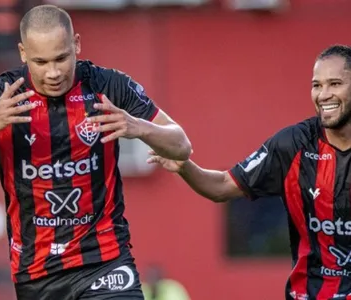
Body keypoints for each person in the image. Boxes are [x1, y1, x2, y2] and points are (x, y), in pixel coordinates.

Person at [0, 5, 191, 300]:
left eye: (61, 58)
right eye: (41, 61)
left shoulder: (107, 84)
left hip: (106, 261)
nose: (53, 72)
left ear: (76, 44)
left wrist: (137, 127)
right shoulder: (1, 95)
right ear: (23, 53)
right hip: (37, 273)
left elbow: (181, 144)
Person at [147, 44, 351, 300]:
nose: (323, 95)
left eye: (335, 84)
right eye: (317, 85)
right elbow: (222, 185)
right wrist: (186, 167)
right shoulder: (293, 144)